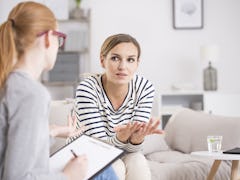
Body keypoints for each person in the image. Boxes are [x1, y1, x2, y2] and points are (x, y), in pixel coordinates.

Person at [0, 2, 89, 180]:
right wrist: (69, 176)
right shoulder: (31, 94)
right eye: (59, 38)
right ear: (49, 37)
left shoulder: (9, 84)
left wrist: (52, 130)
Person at [70, 33, 163, 180]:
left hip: (121, 151)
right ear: (102, 61)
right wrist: (121, 138)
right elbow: (99, 148)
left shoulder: (144, 87)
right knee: (116, 166)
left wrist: (136, 140)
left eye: (130, 60)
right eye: (115, 58)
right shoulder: (87, 88)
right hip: (87, 153)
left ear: (137, 63)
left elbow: (134, 149)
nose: (122, 66)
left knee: (138, 161)